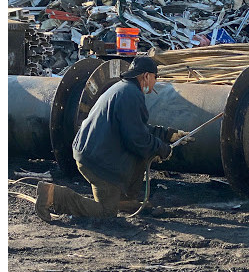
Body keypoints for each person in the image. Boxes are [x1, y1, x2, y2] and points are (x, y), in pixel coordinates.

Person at [35, 56, 189, 222]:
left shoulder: (123, 89)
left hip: (90, 152)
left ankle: (123, 199)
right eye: (155, 77)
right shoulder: (132, 95)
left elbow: (135, 127)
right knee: (105, 213)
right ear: (146, 76)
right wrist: (163, 149)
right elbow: (137, 139)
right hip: (97, 161)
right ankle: (52, 195)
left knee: (145, 151)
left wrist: (167, 134)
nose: (155, 82)